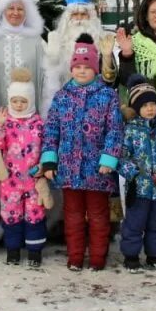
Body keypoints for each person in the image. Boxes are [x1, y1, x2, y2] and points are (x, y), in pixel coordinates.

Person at [41, 34, 123, 271]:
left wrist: (109, 158)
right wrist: (49, 160)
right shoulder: (62, 97)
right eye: (77, 66)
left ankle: (98, 258)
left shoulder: (107, 96)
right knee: (74, 215)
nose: (81, 71)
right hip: (69, 169)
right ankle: (75, 257)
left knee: (98, 215)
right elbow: (51, 131)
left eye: (86, 67)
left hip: (98, 169)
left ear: (95, 68)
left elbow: (115, 130)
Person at [0, 68, 47, 268]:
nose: (18, 105)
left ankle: (34, 252)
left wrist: (43, 167)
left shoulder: (38, 124)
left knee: (35, 214)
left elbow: (47, 148)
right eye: (15, 101)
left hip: (34, 181)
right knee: (11, 215)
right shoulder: (5, 123)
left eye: (23, 101)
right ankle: (13, 250)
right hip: (10, 181)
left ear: (31, 101)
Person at [118, 75, 156, 273]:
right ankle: (131, 256)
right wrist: (132, 173)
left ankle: (155, 256)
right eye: (145, 105)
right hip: (139, 188)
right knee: (135, 224)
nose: (150, 108)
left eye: (152, 104)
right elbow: (121, 157)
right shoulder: (130, 130)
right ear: (136, 108)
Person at [0, 0, 49, 114]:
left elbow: (46, 74)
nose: (15, 13)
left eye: (20, 9)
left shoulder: (36, 40)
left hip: (27, 118)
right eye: (11, 8)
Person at [45, 0, 117, 94]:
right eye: (75, 14)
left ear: (91, 17)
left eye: (83, 15)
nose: (79, 19)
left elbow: (111, 82)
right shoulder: (59, 41)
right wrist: (52, 59)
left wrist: (107, 58)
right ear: (67, 18)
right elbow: (49, 81)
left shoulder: (101, 41)